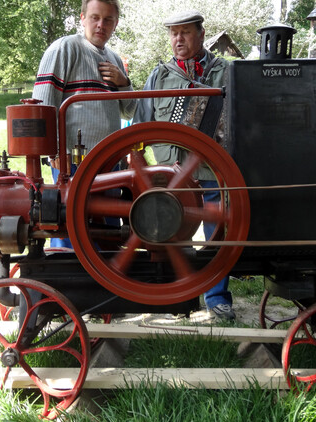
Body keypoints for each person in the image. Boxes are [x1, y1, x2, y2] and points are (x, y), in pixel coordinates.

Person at [133, 10, 234, 320]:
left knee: (219, 232)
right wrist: (140, 167)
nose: (178, 39)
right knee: (170, 234)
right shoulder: (159, 76)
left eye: (186, 32)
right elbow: (140, 124)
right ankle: (178, 296)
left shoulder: (225, 74)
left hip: (213, 172)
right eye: (174, 33)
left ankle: (217, 297)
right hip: (170, 177)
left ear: (201, 35)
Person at [32, 0, 136, 248]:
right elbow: (43, 104)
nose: (101, 25)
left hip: (109, 160)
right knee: (71, 224)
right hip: (73, 160)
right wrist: (54, 151)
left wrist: (124, 82)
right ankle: (67, 278)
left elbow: (130, 108)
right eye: (95, 17)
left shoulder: (114, 60)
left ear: (116, 23)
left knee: (107, 226)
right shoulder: (64, 49)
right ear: (82, 18)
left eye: (108, 19)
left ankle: (104, 279)